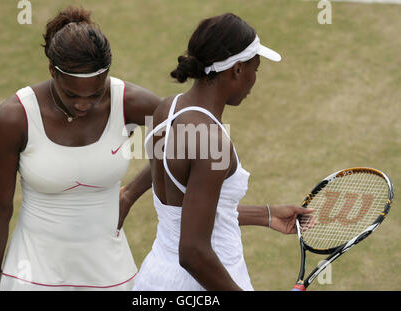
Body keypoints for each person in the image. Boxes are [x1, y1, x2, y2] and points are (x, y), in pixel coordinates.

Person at [0, 6, 160, 291]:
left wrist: (130, 194)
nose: (83, 104)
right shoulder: (14, 117)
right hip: (32, 274)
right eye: (71, 94)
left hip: (111, 275)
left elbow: (185, 143)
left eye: (96, 93)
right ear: (52, 70)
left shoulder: (129, 102)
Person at [132, 13, 314, 291]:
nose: (255, 79)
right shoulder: (212, 143)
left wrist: (266, 215)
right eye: (256, 68)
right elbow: (193, 252)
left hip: (155, 279)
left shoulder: (165, 110)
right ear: (238, 69)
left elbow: (185, 211)